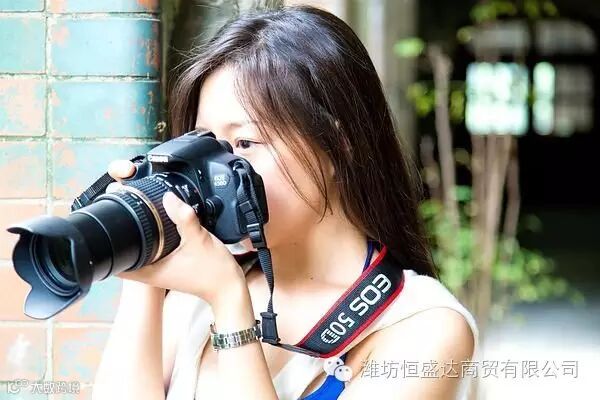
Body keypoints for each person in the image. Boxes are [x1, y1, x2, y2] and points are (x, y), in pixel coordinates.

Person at [92, 5, 477, 400]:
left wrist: (230, 303)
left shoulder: (427, 329)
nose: (218, 172)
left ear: (336, 146)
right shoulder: (194, 295)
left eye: (245, 143)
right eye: (206, 143)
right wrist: (144, 257)